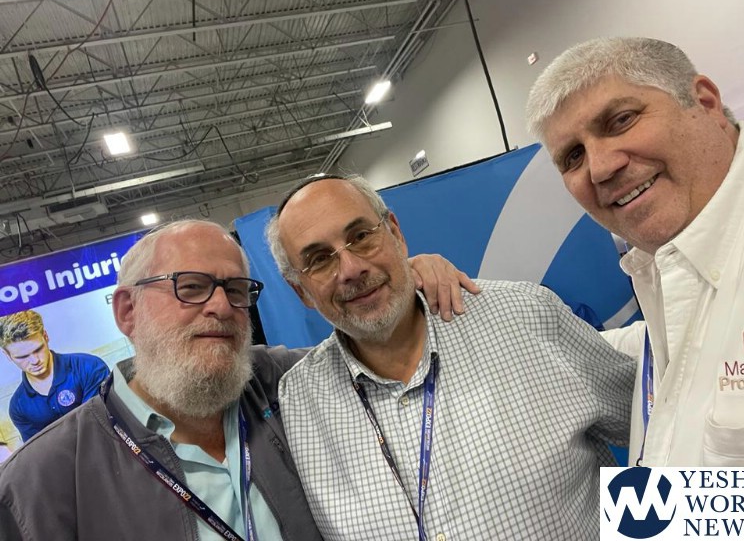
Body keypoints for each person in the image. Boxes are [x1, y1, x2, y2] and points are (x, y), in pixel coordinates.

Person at [0, 219, 473, 541]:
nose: (221, 307)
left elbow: (374, 347)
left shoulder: (285, 384)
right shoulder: (40, 484)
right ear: (127, 311)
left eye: (235, 289)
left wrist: (406, 280)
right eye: (190, 286)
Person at [267, 174, 635, 540]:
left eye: (361, 236)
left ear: (395, 232)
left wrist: (658, 533)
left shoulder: (526, 316)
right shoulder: (298, 402)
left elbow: (658, 427)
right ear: (301, 291)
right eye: (319, 260)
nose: (350, 269)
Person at [526, 37, 744, 466]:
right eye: (573, 156)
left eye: (620, 121)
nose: (600, 168)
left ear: (705, 102)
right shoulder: (666, 263)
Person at [0, 309, 110, 442]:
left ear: (45, 336)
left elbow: (99, 424)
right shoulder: (18, 407)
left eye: (38, 349)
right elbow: (38, 450)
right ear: (7, 355)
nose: (35, 361)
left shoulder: (89, 367)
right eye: (22, 357)